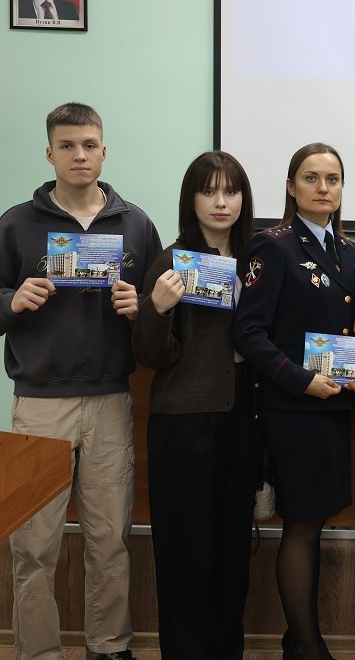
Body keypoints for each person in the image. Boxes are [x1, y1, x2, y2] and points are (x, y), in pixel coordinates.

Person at [0, 102, 161, 660]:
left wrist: (141, 307)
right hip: (40, 405)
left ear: (104, 150)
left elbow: (160, 316)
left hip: (111, 400)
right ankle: (38, 652)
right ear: (49, 153)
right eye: (67, 146)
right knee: (34, 546)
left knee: (109, 538)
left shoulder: (135, 222)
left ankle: (110, 646)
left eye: (89, 144)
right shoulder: (16, 223)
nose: (79, 155)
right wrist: (10, 300)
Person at [232, 142, 355, 660]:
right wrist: (300, 382)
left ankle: (302, 641)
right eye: (311, 178)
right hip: (292, 409)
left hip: (332, 407)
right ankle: (307, 645)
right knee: (301, 523)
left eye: (332, 179)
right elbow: (248, 334)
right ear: (291, 187)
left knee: (313, 521)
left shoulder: (350, 250)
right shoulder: (272, 246)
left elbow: (335, 330)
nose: (323, 188)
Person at [132, 151, 258, 660]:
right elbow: (150, 355)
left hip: (243, 419)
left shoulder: (256, 260)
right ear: (191, 199)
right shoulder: (171, 260)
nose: (221, 202)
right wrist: (157, 308)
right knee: (184, 552)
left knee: (233, 549)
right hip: (183, 425)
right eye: (209, 191)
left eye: (230, 191)